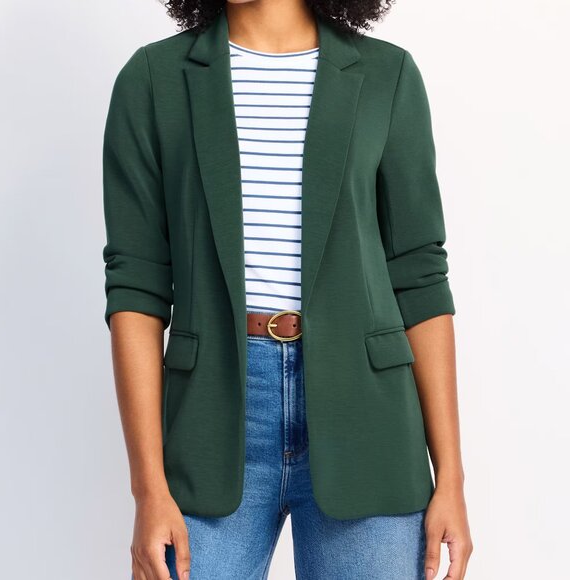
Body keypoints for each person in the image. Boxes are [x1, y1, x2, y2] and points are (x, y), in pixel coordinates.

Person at [102, 1, 473, 578]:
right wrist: (148, 489)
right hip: (211, 422)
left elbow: (419, 276)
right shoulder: (154, 79)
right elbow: (136, 286)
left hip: (368, 418)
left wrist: (451, 477)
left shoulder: (387, 75)